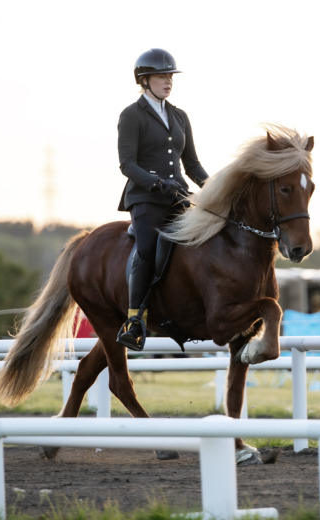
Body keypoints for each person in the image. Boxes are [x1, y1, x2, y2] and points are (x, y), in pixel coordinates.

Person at [116, 48, 209, 350]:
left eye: (170, 76)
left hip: (178, 197)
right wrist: (157, 184)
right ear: (144, 80)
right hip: (145, 199)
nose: (168, 81)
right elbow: (127, 164)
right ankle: (134, 320)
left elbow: (191, 164)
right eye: (161, 76)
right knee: (146, 249)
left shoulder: (180, 116)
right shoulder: (131, 115)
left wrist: (214, 188)